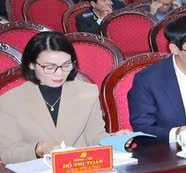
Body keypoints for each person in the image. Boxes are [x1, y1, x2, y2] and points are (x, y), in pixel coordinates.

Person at [0, 32, 125, 164]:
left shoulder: (88, 92)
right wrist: (38, 149)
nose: (59, 73)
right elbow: (7, 153)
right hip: (38, 171)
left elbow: (95, 137)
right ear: (31, 64)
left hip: (81, 168)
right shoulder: (9, 101)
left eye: (66, 65)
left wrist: (115, 140)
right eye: (50, 67)